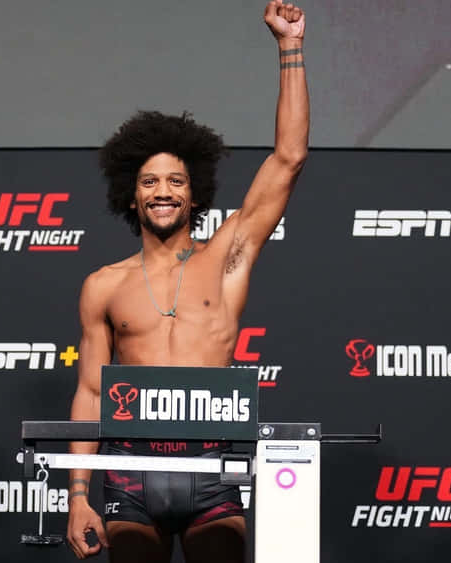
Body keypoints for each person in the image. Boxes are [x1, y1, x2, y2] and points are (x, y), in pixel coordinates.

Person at [66, 2, 309, 561]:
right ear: (132, 195)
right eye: (149, 182)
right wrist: (79, 496)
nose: (163, 191)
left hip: (212, 470)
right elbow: (90, 391)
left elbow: (288, 158)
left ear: (194, 193)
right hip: (129, 472)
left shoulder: (228, 257)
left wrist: (289, 47)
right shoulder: (103, 285)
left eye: (176, 180)